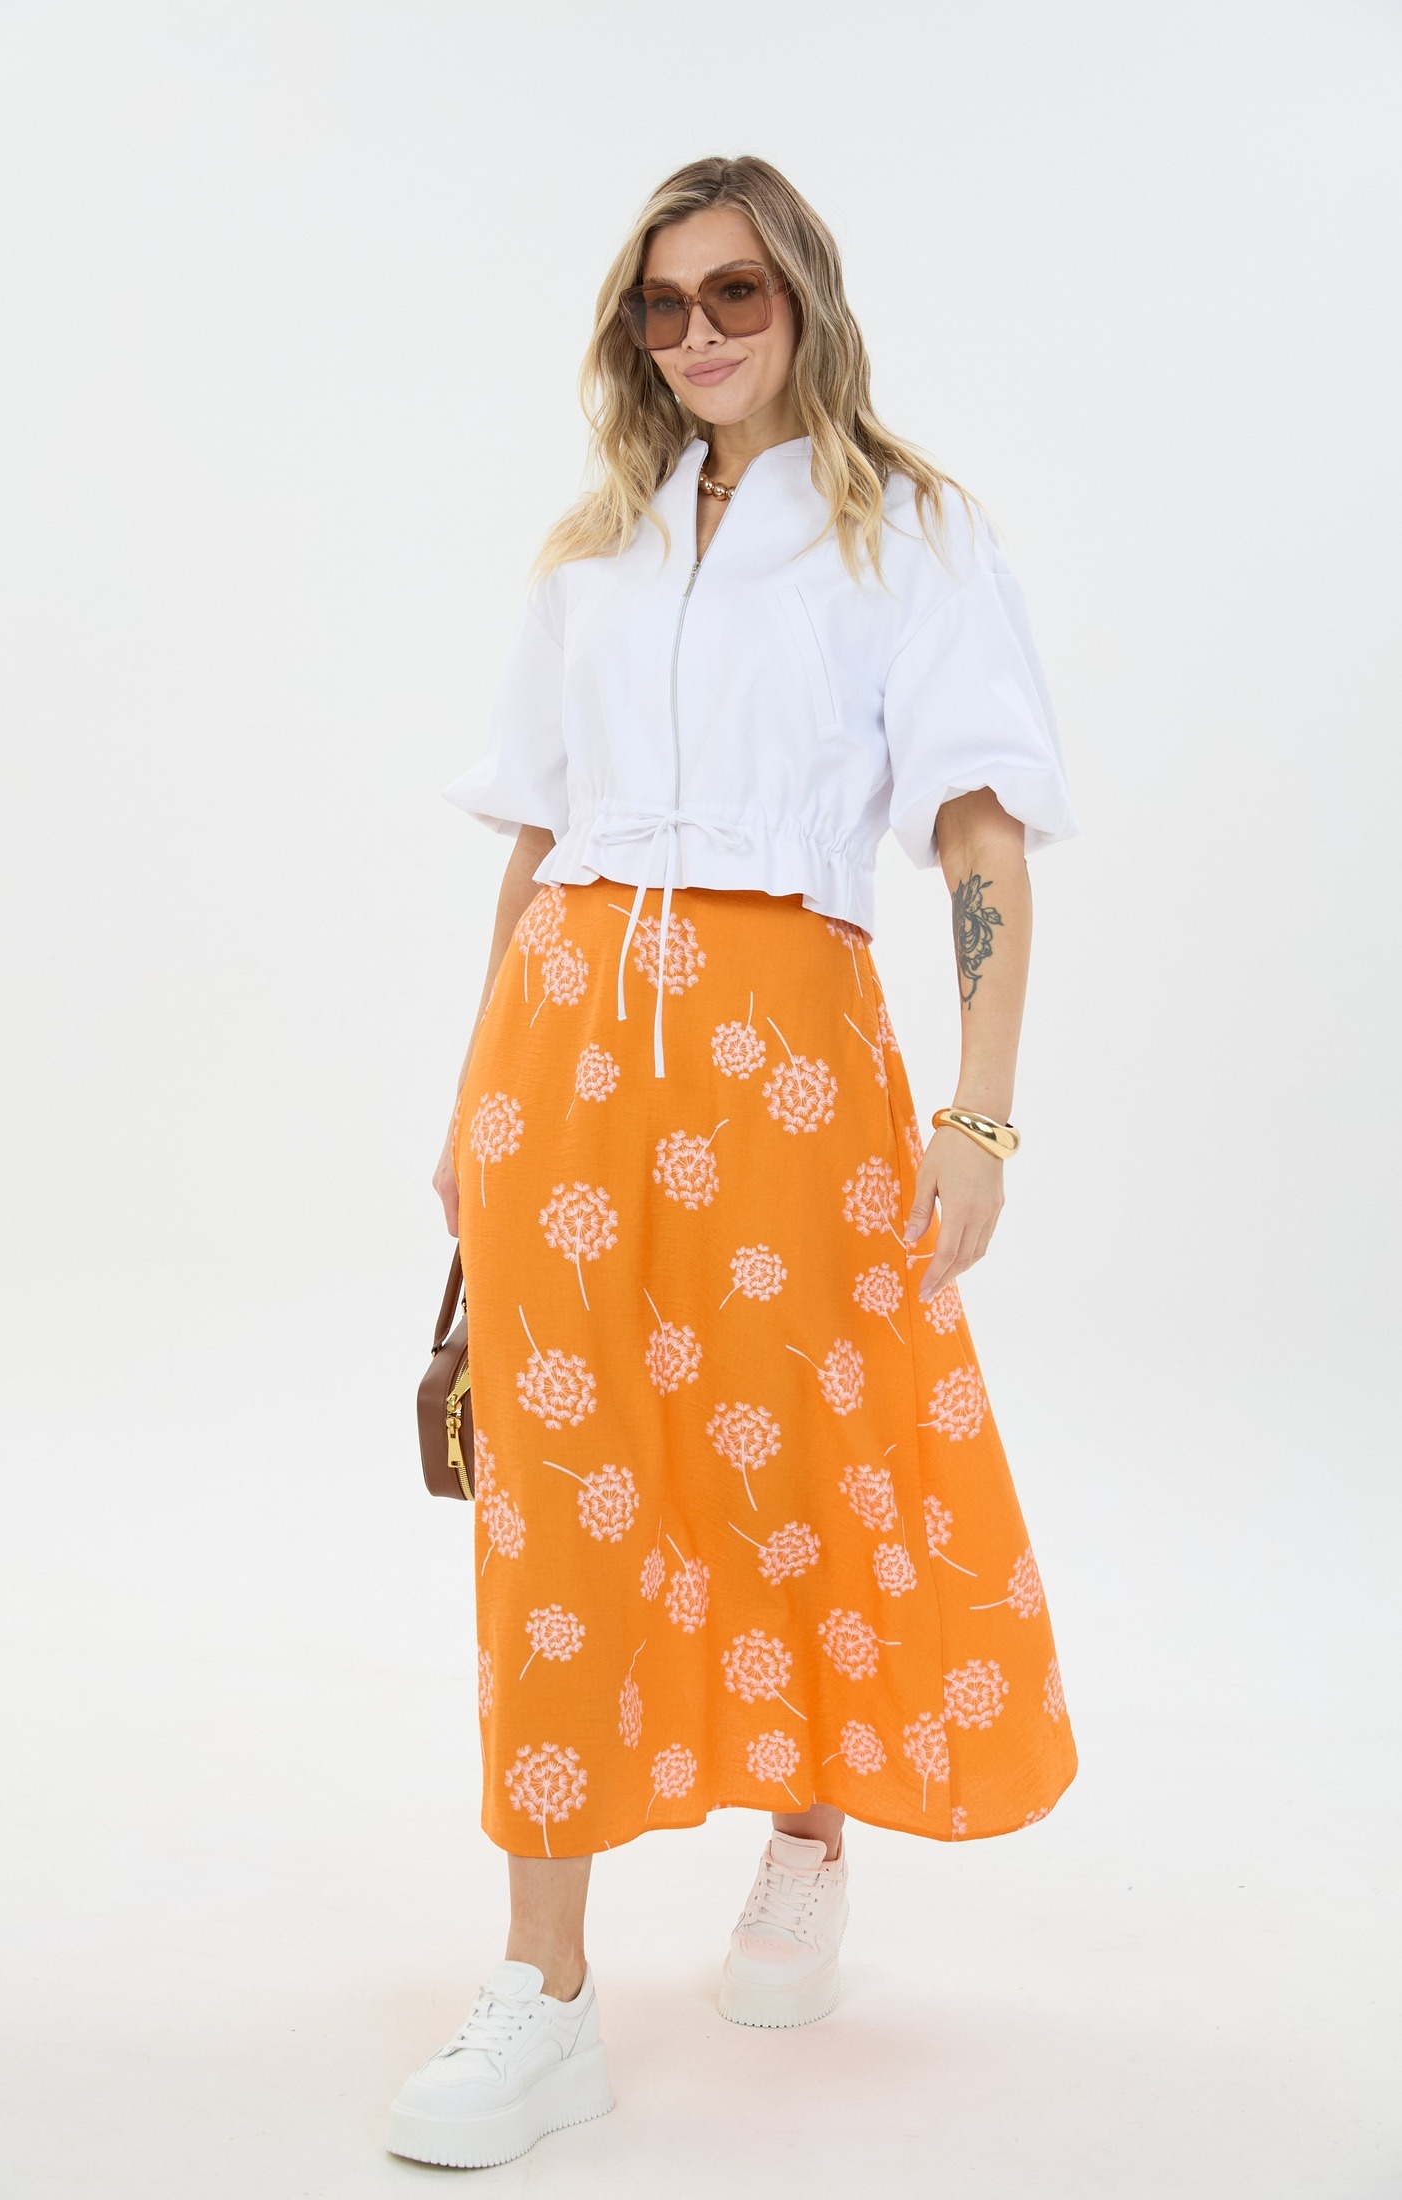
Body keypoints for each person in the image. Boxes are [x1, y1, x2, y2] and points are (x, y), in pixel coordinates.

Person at [389, 153, 1079, 2170]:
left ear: (805, 305)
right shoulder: (594, 547)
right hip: (568, 1046)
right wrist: (473, 1089)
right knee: (554, 1490)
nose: (693, 332)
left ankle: (806, 1827)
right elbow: (538, 833)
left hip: (790, 1045)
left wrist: (978, 1109)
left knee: (792, 1442)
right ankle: (545, 1988)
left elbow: (976, 832)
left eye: (733, 295)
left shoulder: (910, 533)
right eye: (660, 302)